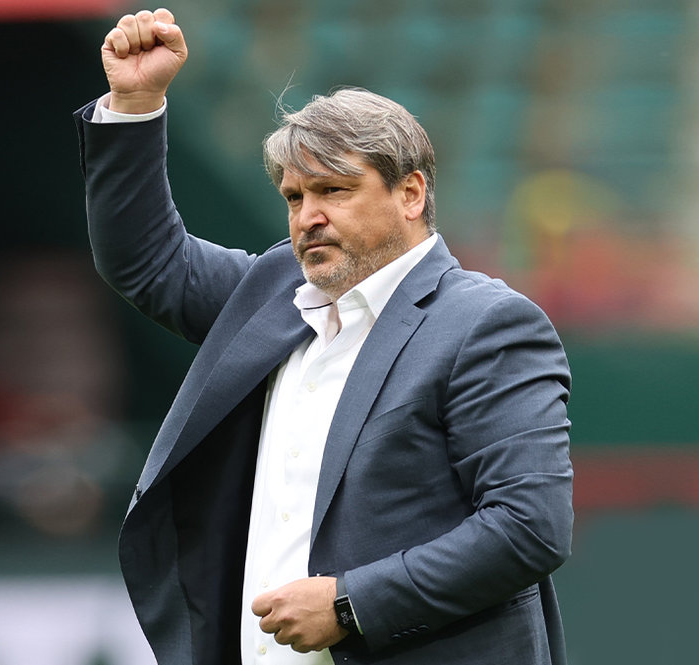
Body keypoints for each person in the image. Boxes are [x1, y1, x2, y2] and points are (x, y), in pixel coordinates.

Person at [74, 9, 574, 665]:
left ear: (411, 193)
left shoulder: (487, 323)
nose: (308, 217)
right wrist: (136, 104)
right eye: (294, 197)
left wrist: (348, 603)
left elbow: (529, 527)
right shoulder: (271, 293)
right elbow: (146, 262)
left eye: (334, 190)